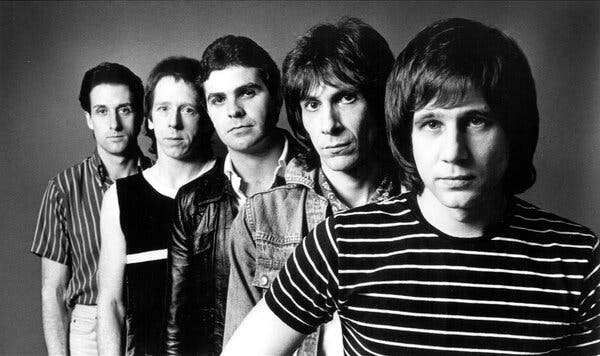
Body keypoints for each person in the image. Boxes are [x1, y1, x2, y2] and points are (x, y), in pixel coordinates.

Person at [222, 18, 600, 355]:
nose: (453, 152)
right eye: (432, 124)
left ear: (513, 129)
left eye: (476, 121)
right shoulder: (341, 241)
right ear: (407, 134)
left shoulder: (580, 258)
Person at [224, 17, 401, 355]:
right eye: (313, 104)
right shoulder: (260, 218)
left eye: (346, 98)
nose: (328, 125)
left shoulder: (424, 206)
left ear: (380, 102)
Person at [165, 36, 299, 355]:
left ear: (277, 97)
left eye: (247, 93)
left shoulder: (324, 177)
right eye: (218, 100)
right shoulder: (193, 202)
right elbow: (179, 326)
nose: (234, 111)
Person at [96, 56, 215, 355]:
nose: (174, 123)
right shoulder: (120, 198)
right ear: (148, 118)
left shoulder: (228, 182)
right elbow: (111, 303)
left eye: (187, 109)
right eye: (163, 109)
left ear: (205, 117)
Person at [31, 62, 151, 356]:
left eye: (124, 109)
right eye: (102, 111)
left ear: (140, 114)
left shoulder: (161, 180)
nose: (114, 124)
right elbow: (54, 291)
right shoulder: (64, 188)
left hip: (152, 321)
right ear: (88, 119)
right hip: (89, 325)